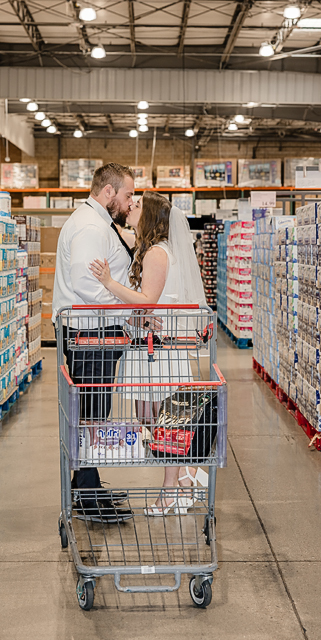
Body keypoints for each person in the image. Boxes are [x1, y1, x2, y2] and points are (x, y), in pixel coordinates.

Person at [88, 193, 209, 515]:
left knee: (161, 419)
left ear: (151, 216)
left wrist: (108, 283)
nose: (130, 207)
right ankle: (185, 475)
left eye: (138, 205)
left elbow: (148, 300)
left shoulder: (157, 252)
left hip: (159, 350)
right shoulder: (151, 250)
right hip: (150, 346)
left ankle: (173, 488)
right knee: (151, 417)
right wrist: (134, 316)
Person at [52, 163, 139, 523]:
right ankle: (86, 495)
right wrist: (127, 305)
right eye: (128, 194)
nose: (130, 201)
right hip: (90, 332)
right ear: (108, 192)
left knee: (93, 410)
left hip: (97, 332)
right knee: (90, 413)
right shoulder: (90, 226)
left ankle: (88, 484)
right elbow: (88, 286)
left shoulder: (98, 222)